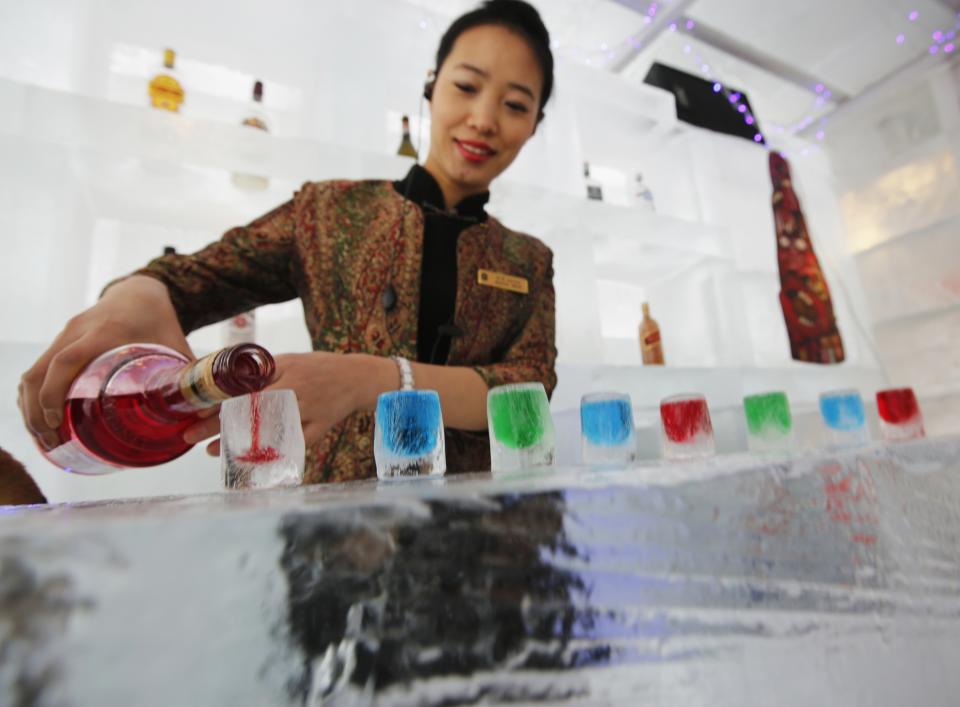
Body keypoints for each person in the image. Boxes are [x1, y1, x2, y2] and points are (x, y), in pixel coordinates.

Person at [17, 0, 557, 484]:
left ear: (534, 125)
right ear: (431, 84)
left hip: (484, 527)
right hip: (331, 528)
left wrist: (370, 377)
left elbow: (529, 389)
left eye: (515, 105)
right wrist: (138, 295)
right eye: (466, 86)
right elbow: (196, 280)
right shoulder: (326, 211)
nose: (484, 119)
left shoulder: (529, 261)